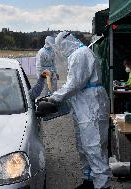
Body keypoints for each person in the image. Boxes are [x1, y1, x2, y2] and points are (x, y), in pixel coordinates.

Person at [46, 31, 111, 189]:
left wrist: (54, 97)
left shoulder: (80, 54)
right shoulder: (78, 54)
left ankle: (102, 185)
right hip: (84, 105)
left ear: (66, 43)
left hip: (91, 106)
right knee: (84, 147)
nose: (60, 50)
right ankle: (88, 180)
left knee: (94, 148)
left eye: (60, 46)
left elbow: (75, 83)